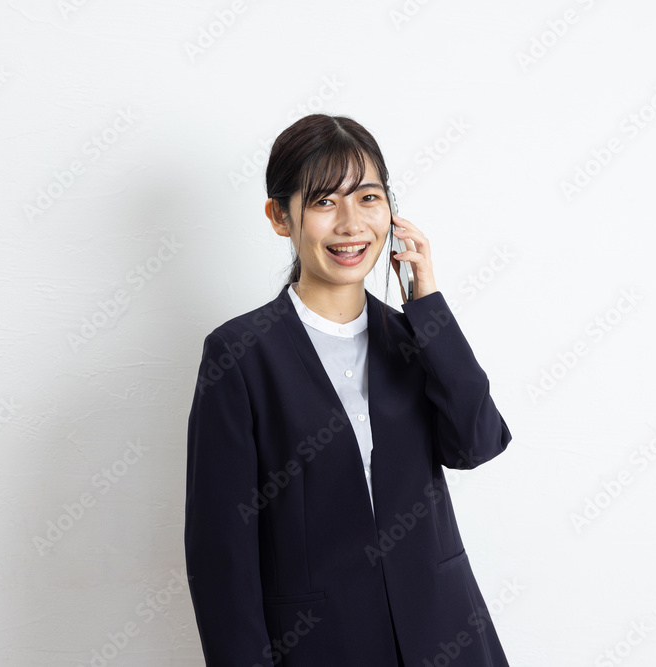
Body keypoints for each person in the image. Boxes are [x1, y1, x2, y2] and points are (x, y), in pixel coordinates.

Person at [185, 113, 512, 666]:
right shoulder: (238, 356)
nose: (351, 223)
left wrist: (429, 309)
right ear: (280, 217)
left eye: (368, 198)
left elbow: (476, 443)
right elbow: (221, 553)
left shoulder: (415, 339)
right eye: (323, 201)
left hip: (447, 635)